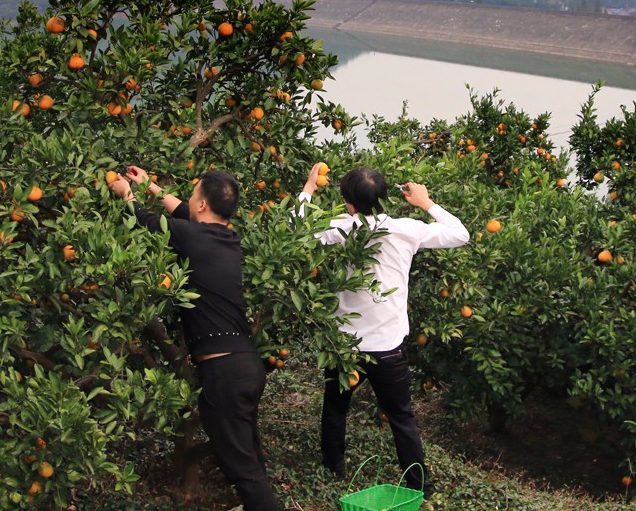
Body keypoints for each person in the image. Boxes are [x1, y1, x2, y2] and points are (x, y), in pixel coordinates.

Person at [109, 166, 279, 511]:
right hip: (247, 365)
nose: (189, 199)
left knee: (241, 468)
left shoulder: (191, 236)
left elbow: (146, 221)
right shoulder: (226, 236)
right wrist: (150, 185)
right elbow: (183, 213)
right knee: (249, 453)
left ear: (202, 205)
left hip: (224, 373)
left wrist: (126, 193)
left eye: (194, 193)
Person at [296, 163, 469, 496]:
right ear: (384, 196)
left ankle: (332, 471)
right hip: (388, 347)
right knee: (401, 417)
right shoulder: (406, 229)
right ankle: (419, 486)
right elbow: (460, 234)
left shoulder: (341, 228)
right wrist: (426, 203)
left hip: (344, 345)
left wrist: (308, 189)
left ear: (348, 201)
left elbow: (296, 229)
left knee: (335, 408)